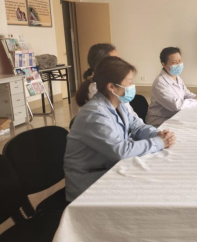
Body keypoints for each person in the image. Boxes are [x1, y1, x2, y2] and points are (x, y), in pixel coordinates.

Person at [66, 57, 175, 202]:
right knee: (150, 191)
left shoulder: (118, 104)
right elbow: (121, 151)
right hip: (89, 184)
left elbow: (137, 127)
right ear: (112, 87)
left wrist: (157, 134)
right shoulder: (94, 114)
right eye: (129, 83)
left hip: (110, 168)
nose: (132, 86)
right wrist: (159, 142)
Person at [146, 47, 197, 127]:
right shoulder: (160, 82)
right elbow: (176, 105)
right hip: (160, 121)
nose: (178, 64)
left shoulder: (176, 77)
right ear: (163, 64)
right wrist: (196, 101)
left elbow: (186, 94)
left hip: (173, 116)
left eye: (180, 61)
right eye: (174, 62)